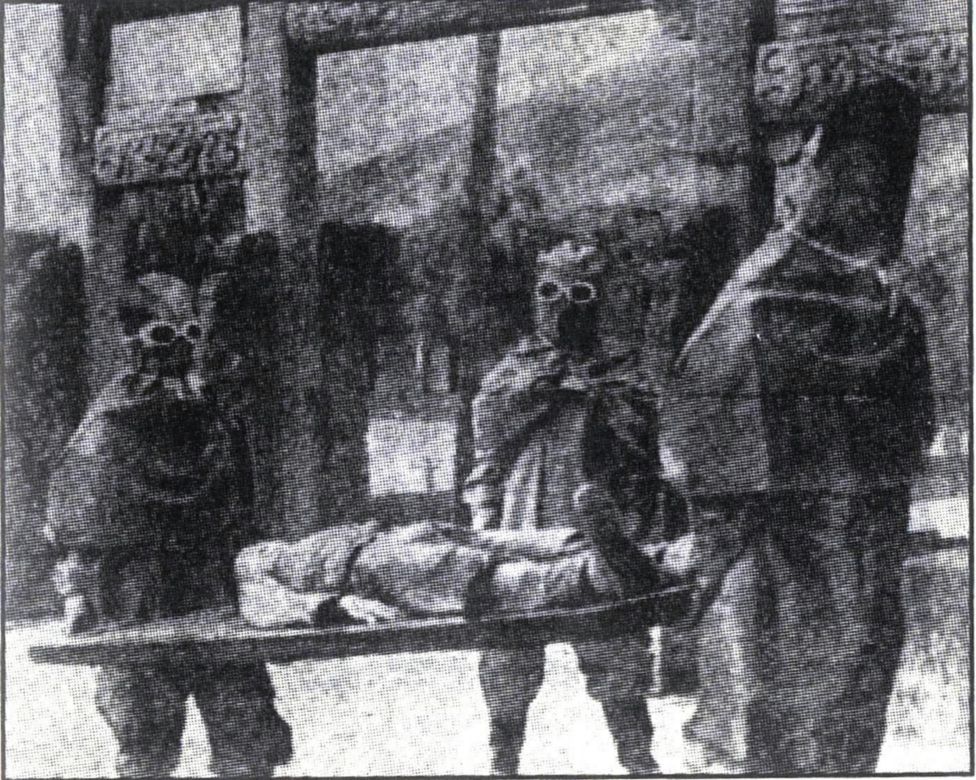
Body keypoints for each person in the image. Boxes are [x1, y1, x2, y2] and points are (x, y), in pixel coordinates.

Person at [660, 82, 934, 773]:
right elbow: (917, 431)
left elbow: (691, 439)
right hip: (856, 552)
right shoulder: (897, 312)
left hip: (776, 555)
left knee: (765, 722)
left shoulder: (760, 296)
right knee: (837, 716)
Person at [44, 272, 293, 778]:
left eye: (191, 332)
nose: (180, 348)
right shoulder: (108, 426)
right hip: (136, 598)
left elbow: (243, 513)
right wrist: (77, 593)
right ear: (130, 340)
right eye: (163, 334)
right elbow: (72, 520)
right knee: (147, 744)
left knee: (245, 737)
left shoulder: (215, 418)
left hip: (214, 592)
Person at [463, 240, 664, 774]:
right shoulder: (515, 369)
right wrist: (483, 517)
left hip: (597, 521)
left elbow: (645, 450)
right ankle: (503, 758)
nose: (564, 309)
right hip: (521, 522)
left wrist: (599, 400)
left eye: (581, 294)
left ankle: (638, 758)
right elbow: (488, 447)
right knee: (508, 648)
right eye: (551, 293)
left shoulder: (622, 370)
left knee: (615, 640)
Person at [234, 484, 690, 630]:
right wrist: (335, 606)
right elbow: (261, 605)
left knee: (513, 542)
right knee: (485, 576)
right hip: (371, 566)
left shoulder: (275, 548)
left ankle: (650, 558)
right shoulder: (247, 563)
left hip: (393, 538)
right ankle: (605, 573)